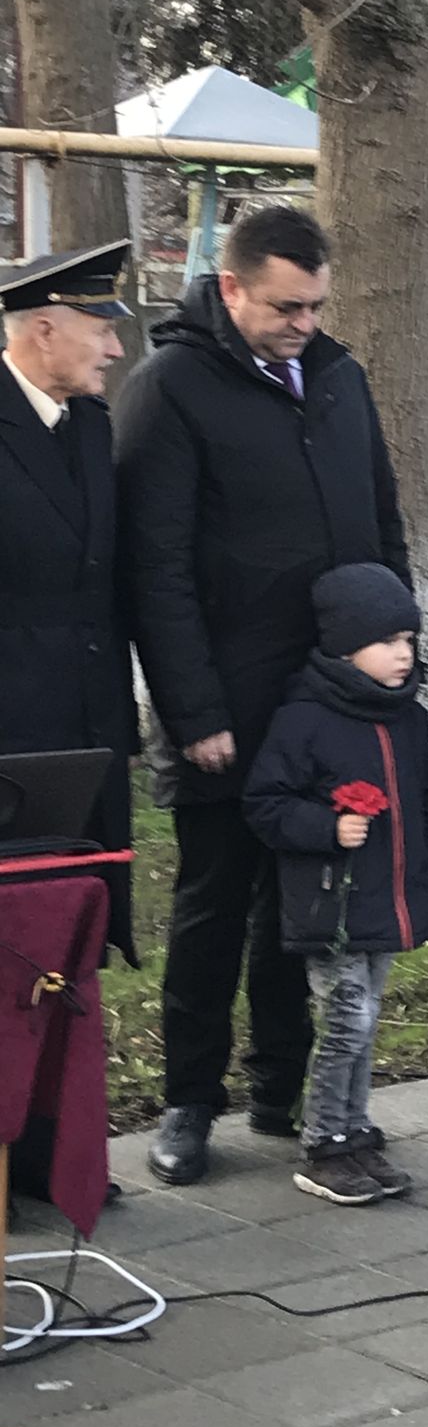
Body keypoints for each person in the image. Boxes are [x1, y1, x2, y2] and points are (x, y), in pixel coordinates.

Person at [115, 205, 412, 1185]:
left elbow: (380, 524)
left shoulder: (337, 377)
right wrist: (192, 713)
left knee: (307, 904)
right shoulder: (170, 389)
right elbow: (153, 568)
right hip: (227, 704)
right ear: (231, 287)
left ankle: (283, 1087)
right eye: (286, 306)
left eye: (315, 306)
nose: (303, 323)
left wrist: (395, 649)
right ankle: (190, 1102)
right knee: (214, 904)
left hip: (329, 704)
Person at [0, 240, 138, 1207]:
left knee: (67, 947)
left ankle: (55, 1148)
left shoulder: (89, 425)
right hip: (10, 734)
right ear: (43, 328)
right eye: (102, 328)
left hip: (85, 732)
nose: (116, 350)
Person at [243, 563, 428, 1205]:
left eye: (409, 641)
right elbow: (265, 802)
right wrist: (328, 828)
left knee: (367, 1016)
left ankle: (356, 1129)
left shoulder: (407, 719)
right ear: (343, 646)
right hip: (329, 905)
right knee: (345, 1021)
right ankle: (324, 1141)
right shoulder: (304, 720)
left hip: (386, 903)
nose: (402, 654)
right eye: (387, 641)